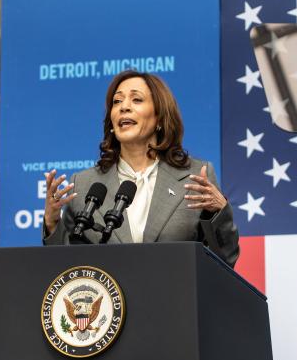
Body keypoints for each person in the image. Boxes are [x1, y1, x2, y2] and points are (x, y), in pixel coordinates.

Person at [42, 70, 239, 266]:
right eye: (117, 101)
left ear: (160, 118)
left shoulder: (195, 177)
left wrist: (218, 213)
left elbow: (224, 261)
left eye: (136, 100)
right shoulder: (84, 184)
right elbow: (66, 270)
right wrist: (52, 224)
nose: (124, 107)